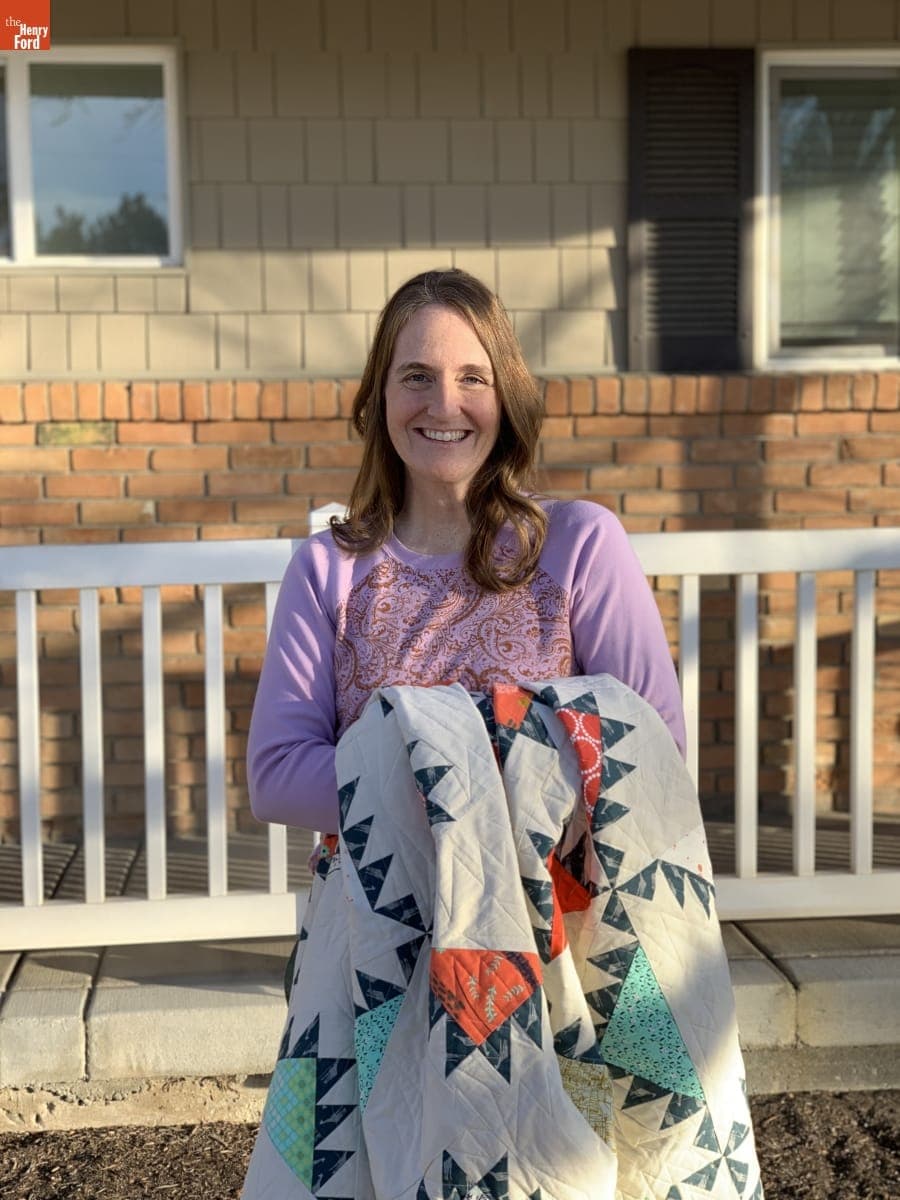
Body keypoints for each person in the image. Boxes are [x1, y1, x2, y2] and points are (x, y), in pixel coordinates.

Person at [247, 267, 685, 836]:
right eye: (417, 376)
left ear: (507, 398)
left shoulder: (580, 545)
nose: (445, 405)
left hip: (553, 914)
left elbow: (655, 748)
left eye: (473, 378)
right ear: (381, 395)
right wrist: (472, 778)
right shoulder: (327, 568)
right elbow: (277, 776)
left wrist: (423, 772)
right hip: (383, 918)